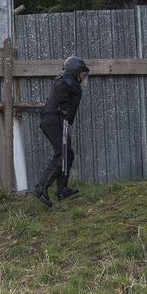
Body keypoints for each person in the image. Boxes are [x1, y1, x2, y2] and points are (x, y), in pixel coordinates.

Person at [33, 56, 89, 207]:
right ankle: (41, 188)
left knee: (67, 154)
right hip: (54, 120)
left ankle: (62, 189)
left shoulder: (69, 80)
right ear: (76, 70)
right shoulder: (66, 80)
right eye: (83, 73)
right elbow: (61, 91)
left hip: (56, 120)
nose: (84, 77)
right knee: (62, 155)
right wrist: (64, 109)